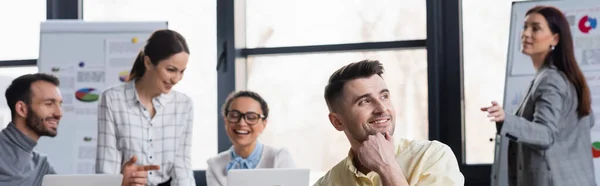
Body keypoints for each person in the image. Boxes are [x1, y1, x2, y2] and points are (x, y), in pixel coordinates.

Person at [481, 6, 595, 186]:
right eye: (525, 27)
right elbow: (585, 122)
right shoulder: (565, 77)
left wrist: (506, 120)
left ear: (555, 38)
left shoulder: (551, 79)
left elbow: (546, 134)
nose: (526, 33)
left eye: (535, 28)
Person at [314, 60, 464, 186]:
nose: (382, 108)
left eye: (384, 96)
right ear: (337, 121)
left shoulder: (433, 157)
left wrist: (386, 167)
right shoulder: (327, 183)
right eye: (365, 101)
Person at [0, 73, 157, 186]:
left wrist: (121, 184)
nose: (59, 113)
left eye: (60, 104)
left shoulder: (41, 166)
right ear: (22, 109)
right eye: (49, 104)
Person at [96, 29, 195, 186]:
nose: (176, 78)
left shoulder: (183, 105)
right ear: (148, 62)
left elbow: (182, 167)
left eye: (181, 72)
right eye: (170, 70)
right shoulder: (113, 99)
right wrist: (120, 181)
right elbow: (106, 169)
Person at [206, 90, 296, 186]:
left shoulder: (279, 158)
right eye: (234, 116)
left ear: (264, 124)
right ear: (226, 120)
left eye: (251, 117)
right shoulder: (215, 165)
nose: (241, 123)